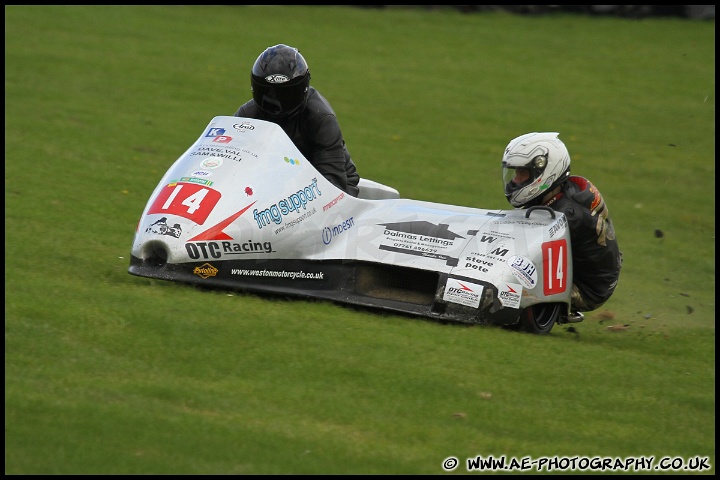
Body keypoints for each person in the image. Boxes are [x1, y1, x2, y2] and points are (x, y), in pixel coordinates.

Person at [501, 132, 622, 314]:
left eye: (523, 173)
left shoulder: (567, 214)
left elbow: (524, 249)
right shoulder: (560, 192)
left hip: (586, 288)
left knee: (505, 294)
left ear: (546, 171)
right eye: (516, 173)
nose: (515, 181)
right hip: (586, 271)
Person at [234, 44, 360, 197]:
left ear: (303, 89)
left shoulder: (320, 119)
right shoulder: (246, 116)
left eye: (286, 95)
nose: (276, 103)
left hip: (335, 188)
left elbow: (332, 183)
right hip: (274, 183)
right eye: (267, 93)